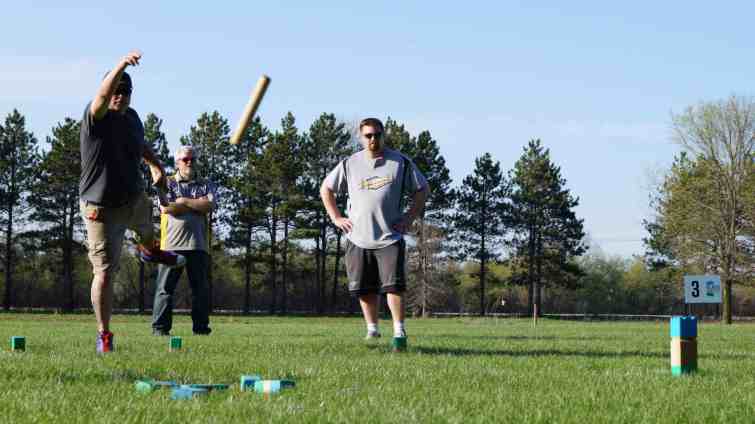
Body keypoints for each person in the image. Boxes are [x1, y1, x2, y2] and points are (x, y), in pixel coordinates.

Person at [79, 51, 186, 353]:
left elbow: (140, 143)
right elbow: (101, 94)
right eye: (116, 91)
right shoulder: (95, 116)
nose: (120, 96)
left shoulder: (133, 118)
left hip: (132, 198)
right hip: (100, 208)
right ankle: (104, 335)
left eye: (126, 92)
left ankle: (149, 252)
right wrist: (122, 64)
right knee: (104, 273)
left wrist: (155, 165)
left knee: (150, 235)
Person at [320, 117, 429, 345]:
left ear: (383, 135)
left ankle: (399, 332)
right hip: (358, 237)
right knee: (364, 288)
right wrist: (336, 217)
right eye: (368, 135)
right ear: (360, 137)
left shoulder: (400, 162)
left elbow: (422, 189)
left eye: (377, 135)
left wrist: (409, 218)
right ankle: (372, 330)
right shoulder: (349, 163)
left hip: (390, 236)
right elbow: (326, 189)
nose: (373, 139)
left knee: (394, 286)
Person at [151, 146, 217, 336]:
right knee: (165, 290)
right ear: (177, 162)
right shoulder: (168, 182)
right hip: (171, 246)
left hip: (198, 245)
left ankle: (201, 329)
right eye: (185, 159)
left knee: (201, 291)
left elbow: (209, 205)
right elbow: (166, 208)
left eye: (192, 159)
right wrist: (195, 203)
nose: (189, 162)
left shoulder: (206, 184)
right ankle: (160, 330)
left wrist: (183, 201)